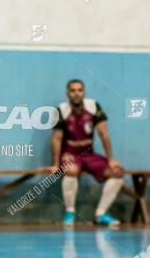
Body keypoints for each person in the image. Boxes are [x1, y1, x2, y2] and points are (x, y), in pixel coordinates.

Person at [47, 79, 125, 227]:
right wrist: (56, 164)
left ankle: (100, 214)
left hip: (89, 154)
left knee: (117, 172)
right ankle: (70, 213)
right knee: (70, 170)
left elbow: (103, 134)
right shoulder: (61, 111)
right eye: (73, 90)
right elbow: (56, 139)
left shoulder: (94, 107)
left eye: (79, 90)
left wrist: (111, 159)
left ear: (84, 92)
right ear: (67, 93)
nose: (76, 94)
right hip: (69, 154)